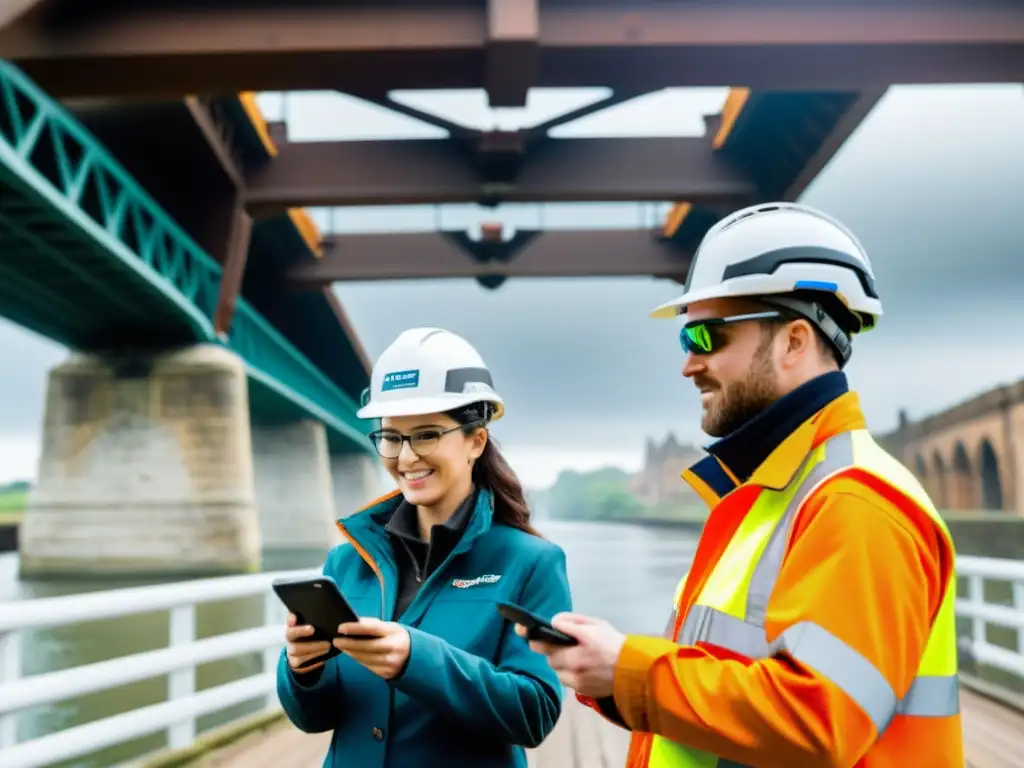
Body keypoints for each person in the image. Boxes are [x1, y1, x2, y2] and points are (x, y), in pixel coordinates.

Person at [520, 202, 963, 767]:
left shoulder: (856, 503)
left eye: (706, 337)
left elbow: (818, 722)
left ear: (794, 342)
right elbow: (731, 683)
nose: (688, 364)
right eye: (685, 340)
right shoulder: (774, 493)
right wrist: (613, 678)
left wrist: (631, 668)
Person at [277, 327, 572, 767]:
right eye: (392, 437)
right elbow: (314, 718)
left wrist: (417, 658)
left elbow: (535, 714)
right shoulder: (345, 562)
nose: (406, 457)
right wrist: (302, 669)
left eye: (427, 434)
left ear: (476, 439)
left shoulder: (530, 564)